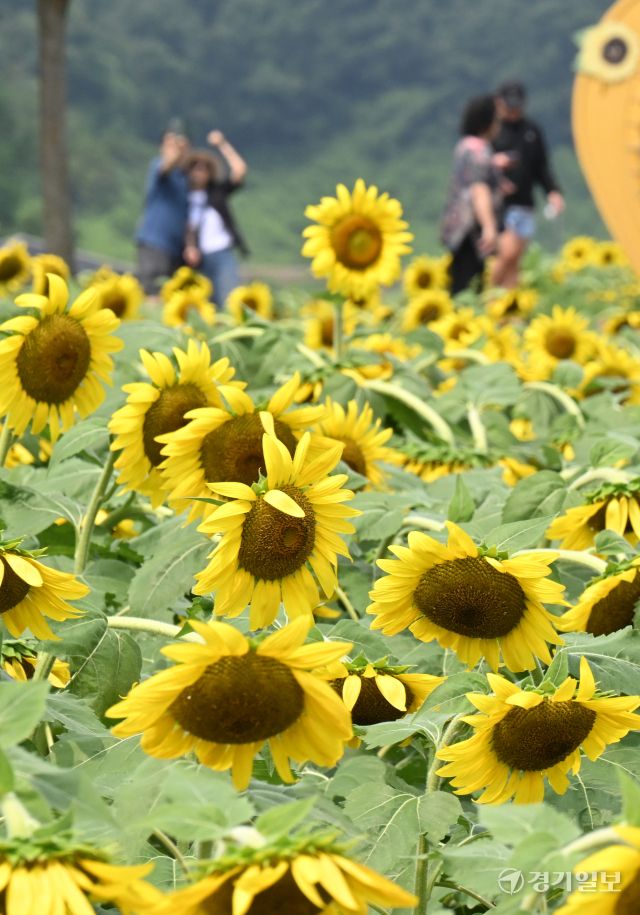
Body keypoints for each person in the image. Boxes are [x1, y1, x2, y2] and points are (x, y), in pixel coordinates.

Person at [490, 80, 565, 288]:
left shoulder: (531, 130)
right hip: (500, 205)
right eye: (509, 105)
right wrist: (497, 175)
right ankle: (484, 295)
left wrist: (553, 192)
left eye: (517, 105)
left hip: (525, 202)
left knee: (515, 260)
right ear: (498, 103)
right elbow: (479, 165)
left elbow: (541, 166)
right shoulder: (492, 130)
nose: (513, 110)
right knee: (507, 253)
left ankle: (508, 311)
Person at [441, 95, 502, 295]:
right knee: (470, 290)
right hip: (471, 230)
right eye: (496, 119)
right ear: (487, 122)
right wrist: (489, 227)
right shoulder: (480, 150)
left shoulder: (465, 145)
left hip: (456, 228)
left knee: (458, 284)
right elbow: (479, 189)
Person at [183, 131, 248, 308]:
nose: (199, 173)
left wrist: (222, 144)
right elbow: (188, 227)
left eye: (204, 169)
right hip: (199, 259)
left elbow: (240, 170)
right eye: (195, 168)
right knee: (207, 306)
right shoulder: (183, 197)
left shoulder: (217, 192)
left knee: (230, 300)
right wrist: (189, 247)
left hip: (222, 252)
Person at [135, 126, 190, 295]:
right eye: (170, 145)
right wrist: (175, 152)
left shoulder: (184, 178)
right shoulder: (158, 166)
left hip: (175, 250)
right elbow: (166, 166)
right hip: (154, 243)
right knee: (151, 292)